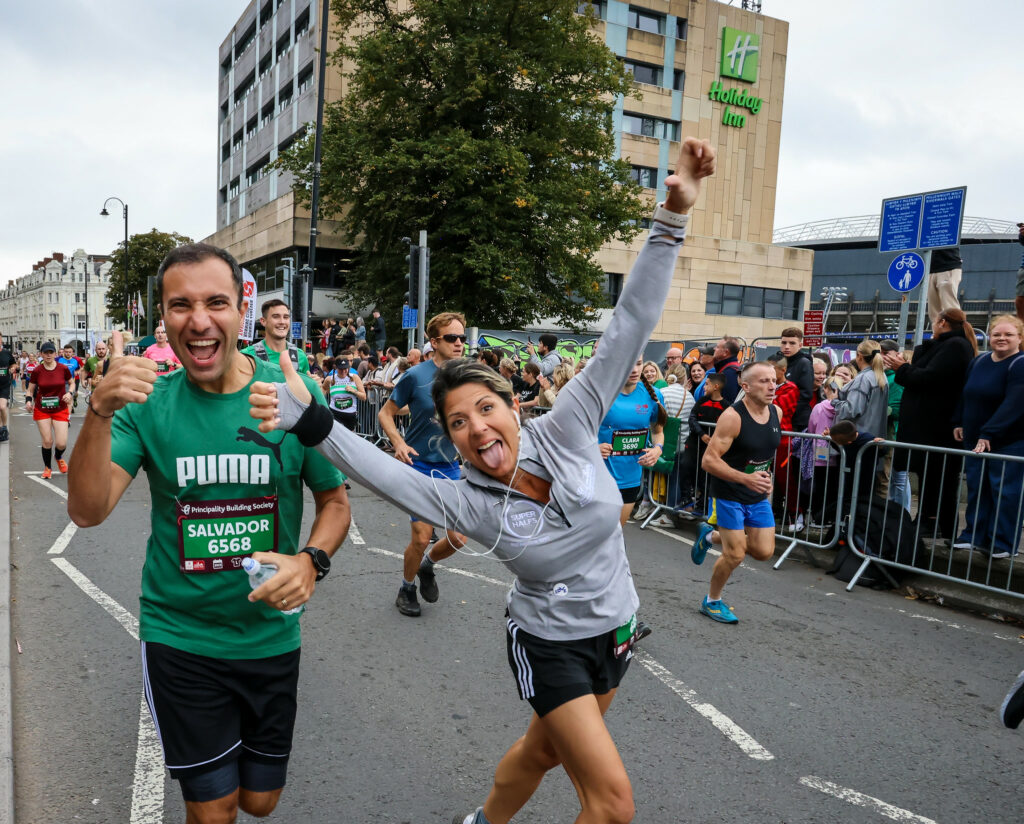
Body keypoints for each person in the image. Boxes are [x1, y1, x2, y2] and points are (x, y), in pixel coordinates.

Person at [249, 135, 715, 824]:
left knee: (543, 754)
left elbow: (628, 328)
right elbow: (377, 467)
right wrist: (308, 419)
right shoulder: (463, 499)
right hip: (548, 642)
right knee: (613, 806)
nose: (478, 429)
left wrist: (671, 221)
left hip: (617, 629)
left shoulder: (570, 422)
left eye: (487, 409)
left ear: (511, 405)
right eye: (460, 422)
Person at [66, 243, 350, 824]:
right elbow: (88, 511)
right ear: (162, 318)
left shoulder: (293, 395)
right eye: (180, 305)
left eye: (215, 302)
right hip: (181, 637)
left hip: (270, 639)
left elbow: (335, 503)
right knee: (214, 808)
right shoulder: (145, 405)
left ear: (240, 308)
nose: (198, 320)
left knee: (259, 803)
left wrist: (310, 561)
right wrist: (98, 409)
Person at [376, 312, 470, 617]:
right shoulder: (416, 376)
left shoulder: (468, 375)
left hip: (450, 467)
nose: (459, 344)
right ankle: (406, 588)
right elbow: (385, 413)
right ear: (434, 341)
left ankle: (427, 566)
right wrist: (400, 444)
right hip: (417, 466)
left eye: (462, 338)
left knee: (458, 538)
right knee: (420, 535)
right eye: (452, 338)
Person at [690, 362, 782, 624]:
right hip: (729, 492)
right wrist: (746, 478)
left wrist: (767, 477)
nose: (771, 385)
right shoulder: (732, 417)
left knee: (763, 551)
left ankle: (709, 536)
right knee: (736, 554)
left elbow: (762, 451)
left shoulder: (776, 410)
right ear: (746, 386)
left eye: (773, 380)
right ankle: (712, 601)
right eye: (763, 381)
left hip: (757, 493)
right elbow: (709, 461)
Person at [883, 309, 976, 538]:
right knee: (929, 476)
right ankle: (929, 519)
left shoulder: (954, 346)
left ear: (942, 322)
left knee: (938, 477)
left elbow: (929, 379)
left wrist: (902, 368)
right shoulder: (947, 346)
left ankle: (934, 522)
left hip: (937, 428)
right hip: (930, 427)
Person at [951, 315, 1024, 558]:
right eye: (997, 334)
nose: (1002, 338)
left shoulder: (1020, 363)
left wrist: (989, 432)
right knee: (977, 488)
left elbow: (1015, 403)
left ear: (1020, 339)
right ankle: (973, 535)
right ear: (989, 337)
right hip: (975, 439)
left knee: (1005, 491)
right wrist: (959, 420)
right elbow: (966, 393)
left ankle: (1003, 543)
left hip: (1008, 441)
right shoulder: (979, 361)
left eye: (1008, 335)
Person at [26, 341, 73, 477]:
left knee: (61, 443)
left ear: (55, 353)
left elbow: (71, 384)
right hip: (42, 409)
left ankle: (58, 457)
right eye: (45, 353)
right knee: (47, 441)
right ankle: (47, 468)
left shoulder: (62, 368)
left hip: (60, 408)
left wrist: (69, 393)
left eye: (51, 352)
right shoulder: (37, 371)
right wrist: (29, 401)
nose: (48, 355)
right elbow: (30, 390)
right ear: (41, 354)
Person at [242, 299, 311, 374]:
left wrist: (316, 385)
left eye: (286, 317)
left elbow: (306, 385)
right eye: (276, 317)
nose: (282, 322)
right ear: (263, 321)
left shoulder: (300, 356)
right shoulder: (247, 356)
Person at [777, 327, 813, 431]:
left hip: (796, 421)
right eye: (784, 343)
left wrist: (785, 412)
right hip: (779, 417)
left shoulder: (804, 363)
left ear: (800, 345)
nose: (787, 347)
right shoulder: (778, 362)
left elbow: (805, 395)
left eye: (792, 343)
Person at [322, 355, 366, 430]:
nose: (343, 371)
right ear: (336, 368)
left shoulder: (354, 377)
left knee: (349, 439)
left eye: (345, 368)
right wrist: (323, 404)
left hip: (350, 415)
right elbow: (323, 389)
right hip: (334, 413)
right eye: (340, 369)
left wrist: (354, 391)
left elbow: (364, 397)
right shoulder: (329, 379)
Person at [927, 246, 963, 324]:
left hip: (948, 265)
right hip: (931, 268)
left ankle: (957, 331)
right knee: (933, 310)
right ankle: (938, 332)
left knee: (949, 305)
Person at [710, 337, 743, 404]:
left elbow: (727, 403)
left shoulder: (730, 373)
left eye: (717, 347)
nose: (714, 349)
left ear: (726, 352)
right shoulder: (728, 370)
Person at [0, 332, 19, 442]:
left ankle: (4, 427)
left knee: (2, 407)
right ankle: (1, 429)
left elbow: (14, 364)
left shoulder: (6, 353)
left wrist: (13, 368)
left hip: (4, 385)